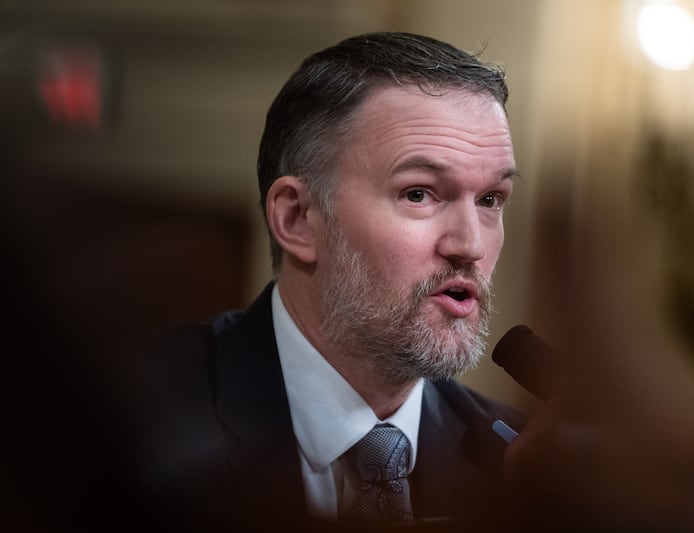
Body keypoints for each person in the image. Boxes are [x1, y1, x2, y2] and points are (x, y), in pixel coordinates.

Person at [111, 31, 525, 531]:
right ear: (298, 219)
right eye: (419, 194)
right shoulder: (127, 420)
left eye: (490, 200)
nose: (470, 245)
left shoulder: (521, 462)